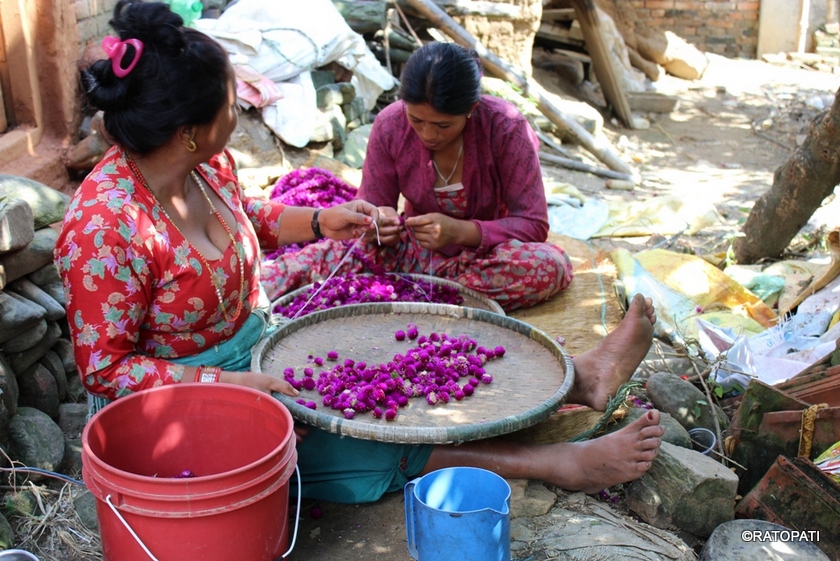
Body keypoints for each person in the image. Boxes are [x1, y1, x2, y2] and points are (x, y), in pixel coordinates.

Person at [58, 0, 663, 505]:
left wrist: (325, 220)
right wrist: (232, 384)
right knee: (369, 441)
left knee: (397, 378)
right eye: (230, 99)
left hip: (257, 349)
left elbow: (249, 218)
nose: (241, 107)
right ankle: (559, 462)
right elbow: (106, 373)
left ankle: (576, 379)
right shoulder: (104, 227)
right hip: (183, 402)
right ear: (190, 126)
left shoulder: (205, 165)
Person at [260, 42, 573, 312]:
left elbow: (533, 225)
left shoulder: (506, 127)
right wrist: (379, 223)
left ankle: (422, 293)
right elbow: (371, 207)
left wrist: (461, 232)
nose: (428, 134)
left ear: (471, 109)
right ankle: (255, 296)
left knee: (549, 266)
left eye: (443, 125)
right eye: (417, 119)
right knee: (323, 256)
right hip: (413, 253)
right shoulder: (390, 125)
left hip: (485, 257)